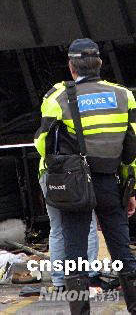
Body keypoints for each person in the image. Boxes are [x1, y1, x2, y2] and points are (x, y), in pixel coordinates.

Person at [35, 38, 136, 314]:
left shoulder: (57, 98)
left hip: (75, 186)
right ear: (100, 63)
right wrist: (131, 187)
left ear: (71, 67)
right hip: (110, 183)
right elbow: (132, 148)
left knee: (75, 255)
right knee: (121, 248)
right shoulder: (124, 95)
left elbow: (42, 144)